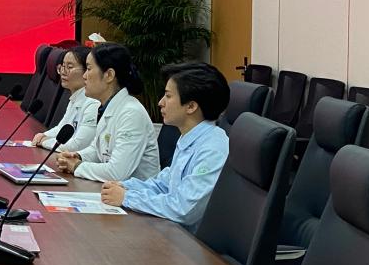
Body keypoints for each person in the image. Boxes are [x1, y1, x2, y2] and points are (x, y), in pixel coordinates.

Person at [101, 62, 230, 229]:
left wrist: (127, 198)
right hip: (172, 231)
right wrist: (124, 186)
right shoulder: (190, 137)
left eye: (168, 96)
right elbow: (164, 184)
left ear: (191, 106)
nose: (160, 102)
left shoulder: (213, 149)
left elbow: (184, 209)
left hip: (189, 241)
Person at [56, 43, 160, 182]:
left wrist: (76, 166)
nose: (84, 76)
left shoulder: (131, 113)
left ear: (109, 75)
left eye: (89, 69)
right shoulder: (107, 106)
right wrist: (77, 156)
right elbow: (98, 150)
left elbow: (117, 172)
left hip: (132, 193)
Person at [32, 46, 99, 152]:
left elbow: (78, 145)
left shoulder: (93, 103)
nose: (63, 72)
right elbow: (61, 128)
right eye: (62, 66)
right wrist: (43, 135)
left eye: (69, 67)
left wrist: (44, 142)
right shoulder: (75, 97)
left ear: (86, 71)